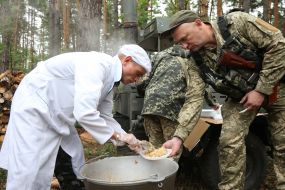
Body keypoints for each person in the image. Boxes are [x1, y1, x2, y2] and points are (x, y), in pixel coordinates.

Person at [0, 44, 151, 190]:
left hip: (56, 113)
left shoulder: (110, 80)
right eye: (138, 73)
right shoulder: (97, 64)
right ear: (127, 60)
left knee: (73, 157)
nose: (137, 80)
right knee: (27, 166)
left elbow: (104, 116)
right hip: (34, 105)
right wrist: (118, 136)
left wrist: (128, 138)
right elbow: (85, 113)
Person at [162, 10, 285, 189]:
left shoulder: (237, 23)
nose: (184, 46)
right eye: (179, 43)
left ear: (198, 23)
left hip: (277, 88)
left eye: (185, 38)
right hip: (240, 98)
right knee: (228, 141)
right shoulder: (194, 60)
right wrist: (178, 138)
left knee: (282, 144)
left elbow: (279, 45)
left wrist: (261, 90)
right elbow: (194, 99)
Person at [137, 45, 218, 161]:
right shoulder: (191, 61)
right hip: (170, 109)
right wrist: (212, 102)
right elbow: (199, 86)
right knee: (172, 150)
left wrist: (149, 95)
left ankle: (155, 177)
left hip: (149, 107)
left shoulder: (161, 56)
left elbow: (143, 81)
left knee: (155, 151)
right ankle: (168, 177)